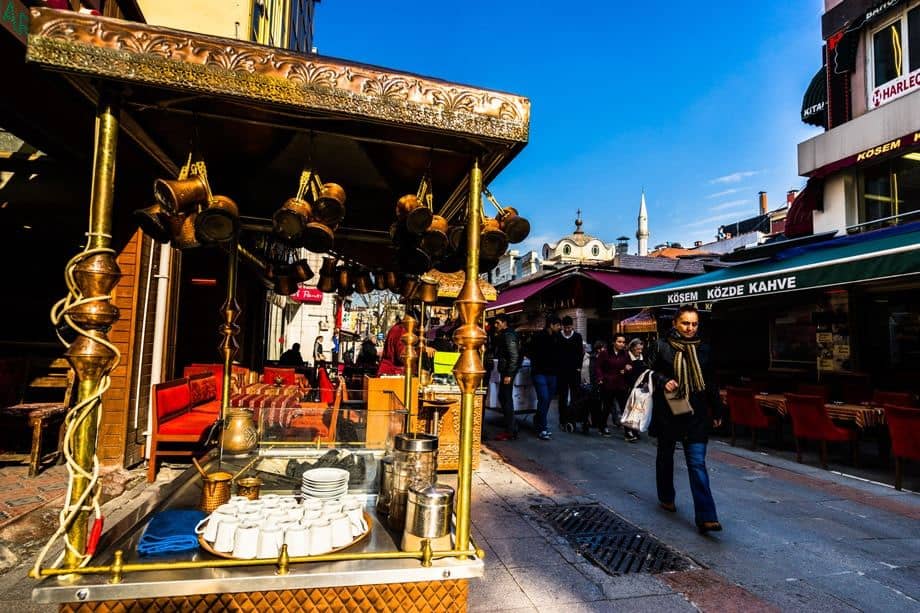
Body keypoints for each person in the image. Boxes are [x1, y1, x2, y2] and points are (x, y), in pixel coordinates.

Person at [649, 305, 723, 534]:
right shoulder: (661, 346)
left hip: (696, 414)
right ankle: (666, 496)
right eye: (685, 323)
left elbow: (711, 383)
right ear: (675, 324)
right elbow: (645, 371)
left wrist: (718, 410)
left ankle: (706, 516)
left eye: (694, 324)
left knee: (697, 463)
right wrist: (663, 380)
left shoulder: (705, 350)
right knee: (665, 457)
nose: (690, 328)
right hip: (669, 412)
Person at [526, 314, 562, 441]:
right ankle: (542, 427)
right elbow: (528, 350)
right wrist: (536, 361)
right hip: (539, 372)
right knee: (544, 398)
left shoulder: (558, 338)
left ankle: (538, 420)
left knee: (547, 399)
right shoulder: (538, 337)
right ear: (551, 325)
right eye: (558, 325)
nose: (559, 328)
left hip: (552, 373)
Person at [492, 314, 522, 441]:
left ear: (504, 323)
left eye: (498, 323)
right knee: (503, 397)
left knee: (506, 398)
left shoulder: (509, 335)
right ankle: (511, 427)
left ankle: (510, 429)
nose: (496, 325)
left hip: (508, 371)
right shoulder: (506, 334)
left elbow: (514, 355)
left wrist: (509, 374)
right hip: (506, 370)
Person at [595, 335, 629, 438]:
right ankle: (603, 426)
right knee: (607, 407)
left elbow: (629, 365)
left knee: (624, 407)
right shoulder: (605, 353)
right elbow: (598, 366)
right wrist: (600, 378)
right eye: (619, 342)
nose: (622, 344)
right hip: (608, 383)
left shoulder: (625, 354)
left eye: (623, 342)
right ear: (614, 342)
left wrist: (628, 368)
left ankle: (628, 430)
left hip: (621, 384)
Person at [557, 316, 584, 432]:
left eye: (569, 327)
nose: (568, 329)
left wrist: (579, 367)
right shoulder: (558, 336)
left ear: (572, 326)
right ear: (562, 326)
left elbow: (580, 353)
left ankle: (572, 419)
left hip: (574, 371)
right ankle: (562, 420)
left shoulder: (577, 336)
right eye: (566, 327)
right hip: (561, 371)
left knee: (575, 396)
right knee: (562, 396)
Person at [623, 338, 648, 442]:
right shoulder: (626, 357)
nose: (640, 351)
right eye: (638, 349)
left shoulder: (643, 358)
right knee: (629, 409)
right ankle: (628, 431)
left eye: (641, 349)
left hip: (640, 388)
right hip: (629, 387)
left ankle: (635, 429)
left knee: (638, 409)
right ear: (632, 348)